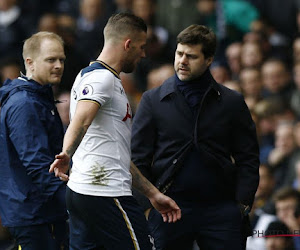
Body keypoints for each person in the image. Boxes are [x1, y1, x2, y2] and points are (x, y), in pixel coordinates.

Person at [49, 12, 181, 250]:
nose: (143, 54)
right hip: (105, 194)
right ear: (127, 44)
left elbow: (116, 153)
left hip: (82, 193)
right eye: (141, 47)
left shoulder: (87, 76)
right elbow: (80, 121)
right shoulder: (103, 79)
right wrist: (66, 153)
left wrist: (152, 193)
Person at [131, 24, 260, 250]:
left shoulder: (232, 102)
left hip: (221, 209)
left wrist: (241, 205)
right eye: (179, 54)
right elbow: (137, 158)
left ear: (209, 59)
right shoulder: (152, 100)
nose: (182, 61)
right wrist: (148, 204)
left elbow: (248, 157)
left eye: (191, 56)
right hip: (168, 207)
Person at [0, 32, 68, 249]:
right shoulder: (25, 104)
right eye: (51, 60)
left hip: (38, 211)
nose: (58, 65)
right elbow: (37, 165)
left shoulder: (38, 97)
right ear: (29, 62)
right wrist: (71, 203)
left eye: (61, 59)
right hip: (33, 213)